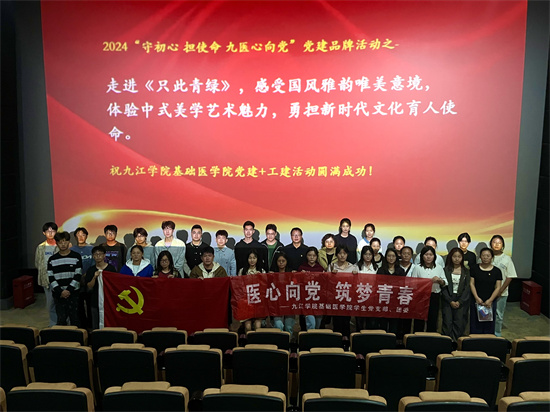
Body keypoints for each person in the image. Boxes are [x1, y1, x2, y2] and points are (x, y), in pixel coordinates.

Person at [47, 231, 82, 326]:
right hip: (59, 294)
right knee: (61, 319)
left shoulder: (76, 256)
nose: (63, 244)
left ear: (69, 242)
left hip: (73, 293)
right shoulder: (52, 259)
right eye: (60, 242)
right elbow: (51, 277)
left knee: (75, 318)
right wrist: (60, 291)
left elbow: (78, 275)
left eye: (65, 241)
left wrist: (69, 290)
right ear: (56, 243)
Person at [410, 245, 446, 333]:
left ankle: (431, 338)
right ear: (422, 256)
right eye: (426, 255)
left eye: (431, 255)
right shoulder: (417, 268)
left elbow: (445, 282)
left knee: (433, 318)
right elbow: (413, 283)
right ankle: (417, 336)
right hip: (421, 296)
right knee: (419, 319)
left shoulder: (439, 268)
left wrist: (439, 280)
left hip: (434, 295)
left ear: (434, 256)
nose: (428, 257)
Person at [490, 235, 518, 337]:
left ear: (502, 245)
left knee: (498, 315)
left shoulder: (507, 259)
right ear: (490, 244)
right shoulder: (486, 256)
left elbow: (510, 276)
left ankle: (497, 334)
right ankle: (486, 334)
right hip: (487, 292)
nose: (496, 245)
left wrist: (500, 290)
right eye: (494, 242)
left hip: (501, 293)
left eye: (499, 243)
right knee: (485, 315)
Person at [470, 248, 502, 334]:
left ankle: (488, 340)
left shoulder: (497, 271)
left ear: (492, 257)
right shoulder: (474, 268)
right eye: (483, 255)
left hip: (490, 301)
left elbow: (498, 287)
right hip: (476, 300)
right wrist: (476, 297)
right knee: (475, 322)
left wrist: (490, 300)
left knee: (489, 324)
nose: (485, 257)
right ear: (480, 256)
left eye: (488, 256)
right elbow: (471, 284)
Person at [328, 246, 358, 338]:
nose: (342, 255)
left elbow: (357, 283)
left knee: (346, 321)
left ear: (347, 255)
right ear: (336, 255)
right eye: (340, 253)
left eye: (344, 253)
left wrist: (355, 276)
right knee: (336, 321)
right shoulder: (331, 266)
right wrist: (331, 275)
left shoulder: (353, 267)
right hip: (335, 299)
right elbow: (327, 283)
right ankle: (336, 340)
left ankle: (346, 341)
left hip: (347, 298)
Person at [441, 247, 471, 341]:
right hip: (448, 300)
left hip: (461, 300)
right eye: (454, 256)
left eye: (459, 257)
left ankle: (456, 343)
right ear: (451, 257)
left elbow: (467, 288)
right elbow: (443, 287)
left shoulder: (466, 271)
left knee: (459, 322)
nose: (457, 259)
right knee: (447, 322)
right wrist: (450, 301)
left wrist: (460, 301)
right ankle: (446, 342)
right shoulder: (445, 270)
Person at [85, 245, 116, 329]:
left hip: (108, 301)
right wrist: (94, 277)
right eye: (96, 254)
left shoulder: (111, 268)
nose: (98, 256)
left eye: (100, 254)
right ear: (93, 256)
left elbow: (114, 285)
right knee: (95, 323)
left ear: (104, 255)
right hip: (95, 300)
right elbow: (89, 286)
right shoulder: (91, 270)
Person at [377, 249, 406, 335]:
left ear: (396, 257)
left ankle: (393, 341)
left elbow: (403, 286)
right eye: (389, 256)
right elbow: (377, 285)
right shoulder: (381, 270)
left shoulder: (401, 271)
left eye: (393, 256)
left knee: (394, 325)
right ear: (385, 257)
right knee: (383, 325)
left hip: (395, 302)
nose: (391, 258)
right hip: (383, 301)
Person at [35, 221, 59, 326]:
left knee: (61, 303)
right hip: (47, 279)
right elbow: (37, 263)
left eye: (53, 231)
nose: (50, 233)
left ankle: (65, 323)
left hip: (59, 278)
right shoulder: (40, 247)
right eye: (48, 231)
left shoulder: (60, 246)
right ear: (44, 233)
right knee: (50, 304)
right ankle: (53, 324)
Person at [71, 227, 94, 330]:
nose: (81, 237)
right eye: (78, 235)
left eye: (83, 235)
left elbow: (94, 265)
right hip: (76, 282)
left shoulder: (91, 249)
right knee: (79, 306)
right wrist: (78, 277)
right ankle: (82, 327)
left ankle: (91, 326)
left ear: (86, 236)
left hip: (90, 281)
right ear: (75, 237)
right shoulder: (72, 250)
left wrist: (85, 276)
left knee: (90, 305)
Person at [237, 249, 265, 331]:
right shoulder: (242, 271)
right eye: (250, 258)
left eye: (254, 258)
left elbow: (264, 288)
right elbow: (238, 286)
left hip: (258, 302)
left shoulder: (262, 271)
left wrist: (260, 278)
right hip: (246, 302)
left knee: (257, 326)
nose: (252, 260)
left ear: (257, 259)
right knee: (248, 327)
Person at [298, 247, 324, 330]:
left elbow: (324, 284)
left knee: (318, 324)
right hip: (307, 299)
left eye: (314, 255)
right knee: (311, 324)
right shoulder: (302, 268)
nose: (312, 257)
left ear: (317, 257)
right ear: (306, 256)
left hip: (318, 299)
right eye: (309, 255)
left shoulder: (320, 268)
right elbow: (296, 283)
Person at [272, 252, 296, 333]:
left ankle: (289, 340)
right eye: (279, 261)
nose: (281, 263)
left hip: (289, 304)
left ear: (287, 261)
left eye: (283, 261)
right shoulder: (273, 274)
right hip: (277, 305)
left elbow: (296, 286)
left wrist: (295, 276)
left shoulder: (291, 273)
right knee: (278, 326)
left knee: (289, 327)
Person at [356, 245, 378, 331]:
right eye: (365, 254)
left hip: (372, 297)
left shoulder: (376, 267)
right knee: (359, 321)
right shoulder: (357, 266)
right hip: (360, 296)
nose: (368, 256)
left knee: (371, 321)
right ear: (362, 255)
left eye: (370, 254)